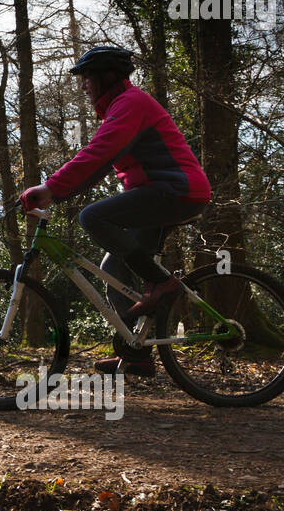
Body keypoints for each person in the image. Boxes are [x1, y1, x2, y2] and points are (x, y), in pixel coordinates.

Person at [19, 46, 211, 376]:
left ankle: (161, 283)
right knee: (113, 267)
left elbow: (99, 153)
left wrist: (50, 188)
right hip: (162, 193)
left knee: (92, 217)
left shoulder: (130, 104)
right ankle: (136, 353)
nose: (83, 86)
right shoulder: (119, 108)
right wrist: (59, 193)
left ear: (107, 76)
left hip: (177, 190)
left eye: (87, 78)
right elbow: (99, 166)